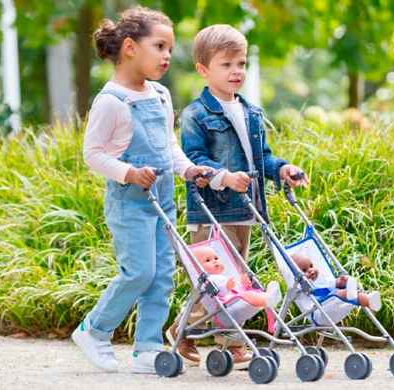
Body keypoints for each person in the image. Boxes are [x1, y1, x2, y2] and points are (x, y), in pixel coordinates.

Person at [72, 6, 213, 374]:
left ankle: (147, 349)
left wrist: (188, 168)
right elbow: (93, 154)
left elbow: (168, 144)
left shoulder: (161, 95)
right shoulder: (111, 101)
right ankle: (94, 330)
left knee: (163, 274)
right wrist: (129, 172)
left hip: (162, 201)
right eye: (160, 46)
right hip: (129, 203)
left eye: (170, 48)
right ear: (131, 47)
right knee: (139, 272)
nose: (167, 55)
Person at [165, 24, 308, 370]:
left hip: (247, 209)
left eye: (241, 64)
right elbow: (194, 161)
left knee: (235, 281)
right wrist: (224, 177)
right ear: (203, 69)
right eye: (226, 65)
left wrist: (282, 169)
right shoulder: (196, 115)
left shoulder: (252, 113)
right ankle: (182, 331)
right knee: (214, 280)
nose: (236, 72)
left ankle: (229, 343)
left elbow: (264, 158)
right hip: (212, 211)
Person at [191, 246, 282, 308]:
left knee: (251, 293)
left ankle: (268, 295)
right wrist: (226, 286)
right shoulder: (207, 280)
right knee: (248, 295)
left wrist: (244, 285)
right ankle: (267, 300)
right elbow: (218, 292)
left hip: (234, 298)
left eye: (216, 258)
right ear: (197, 267)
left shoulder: (222, 276)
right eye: (208, 260)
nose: (214, 261)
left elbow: (235, 289)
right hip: (227, 302)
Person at [291, 253, 382, 311]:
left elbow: (332, 284)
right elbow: (300, 293)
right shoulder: (302, 286)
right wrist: (307, 282)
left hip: (337, 303)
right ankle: (348, 292)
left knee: (355, 295)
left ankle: (370, 301)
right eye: (304, 270)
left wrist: (340, 282)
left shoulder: (322, 279)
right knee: (336, 294)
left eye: (311, 266)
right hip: (320, 309)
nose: (311, 270)